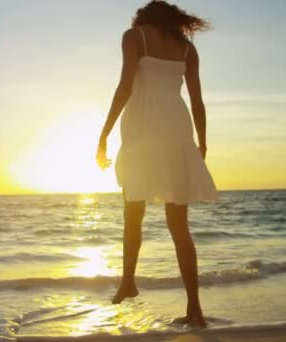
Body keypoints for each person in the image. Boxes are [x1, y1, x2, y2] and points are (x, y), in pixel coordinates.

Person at [96, 0, 218, 328]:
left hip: (142, 125)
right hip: (177, 127)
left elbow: (124, 86)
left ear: (143, 18)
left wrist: (103, 135)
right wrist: (201, 142)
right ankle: (195, 309)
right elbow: (197, 100)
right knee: (179, 226)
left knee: (132, 211)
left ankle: (128, 281)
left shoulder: (134, 36)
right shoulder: (187, 49)